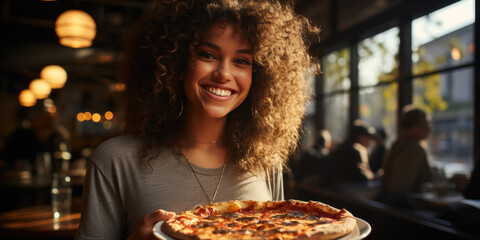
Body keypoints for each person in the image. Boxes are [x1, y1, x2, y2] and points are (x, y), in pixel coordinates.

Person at [75, 1, 319, 239]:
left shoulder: (267, 162)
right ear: (175, 60)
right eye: (208, 54)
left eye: (242, 61)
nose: (223, 73)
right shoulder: (115, 160)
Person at [378, 105, 433, 207]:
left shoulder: (397, 144)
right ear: (413, 127)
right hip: (403, 209)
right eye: (425, 124)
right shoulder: (413, 148)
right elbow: (397, 188)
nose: (428, 128)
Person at [329, 120, 376, 188]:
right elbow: (361, 175)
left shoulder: (342, 146)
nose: (370, 141)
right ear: (361, 136)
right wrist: (374, 176)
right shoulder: (358, 149)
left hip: (336, 186)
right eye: (368, 137)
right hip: (350, 188)